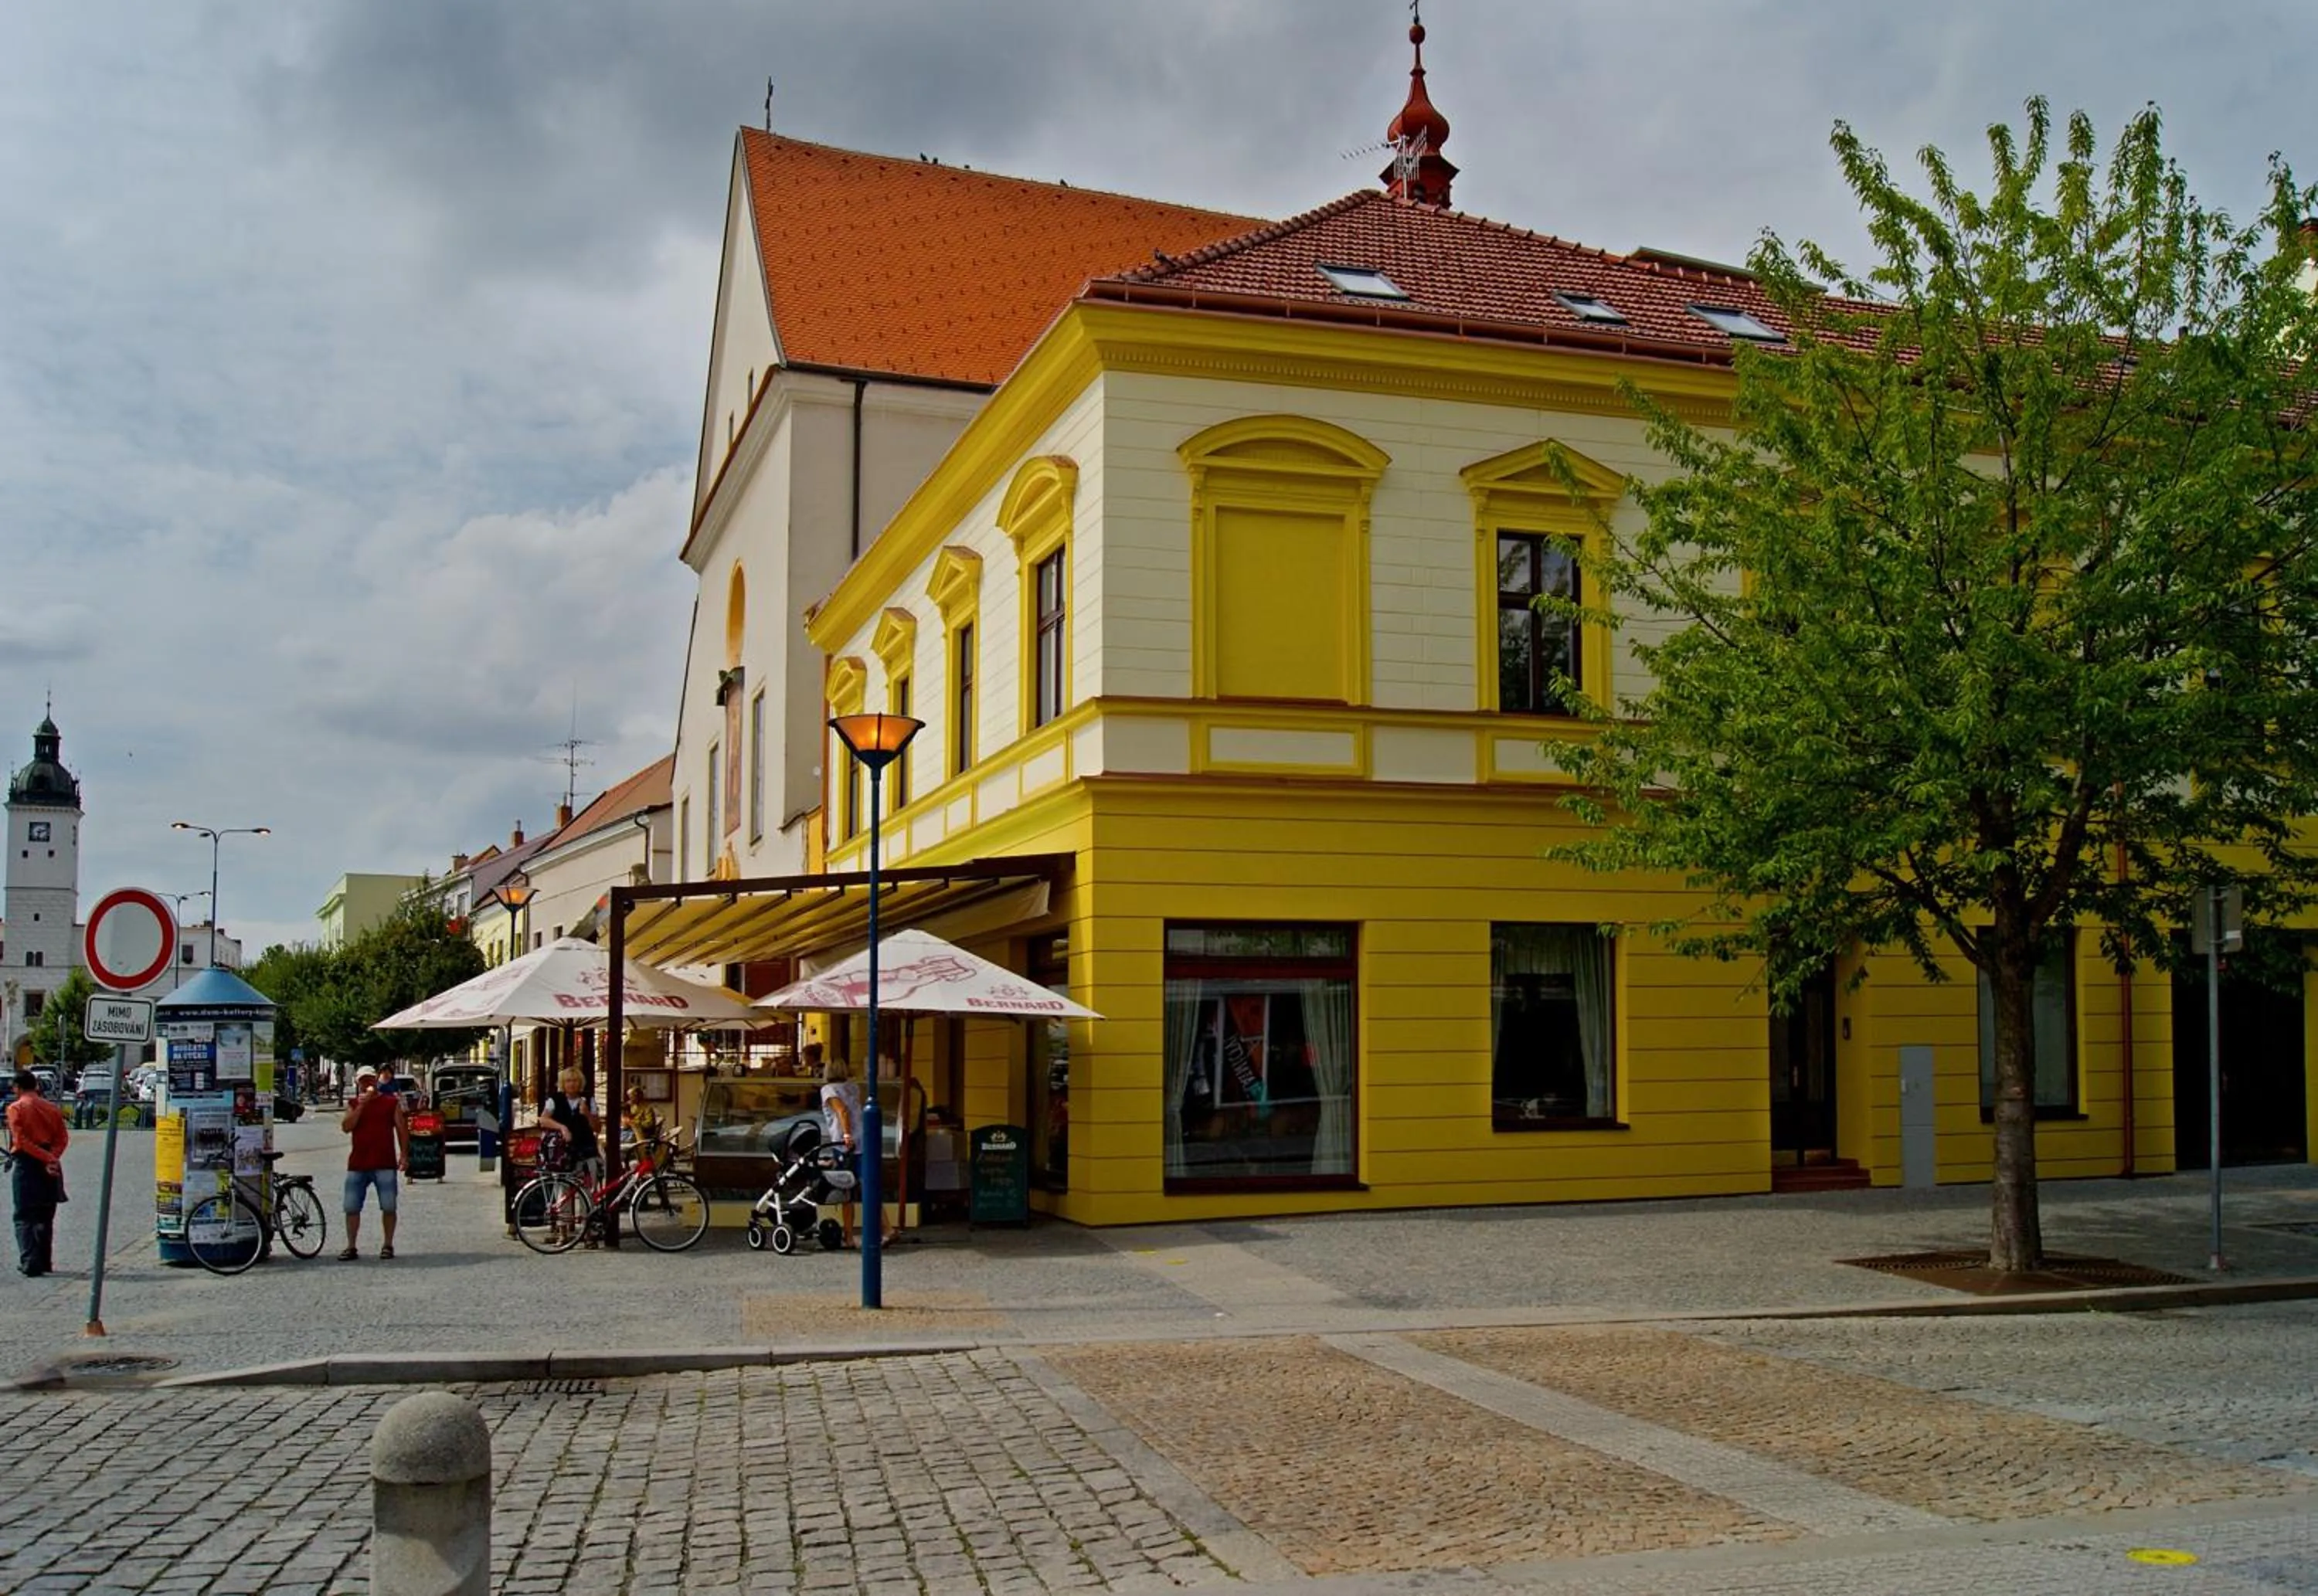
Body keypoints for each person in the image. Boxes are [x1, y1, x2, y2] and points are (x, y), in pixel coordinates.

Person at [338, 1065, 409, 1261]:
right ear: (358, 1083)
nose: (367, 1083)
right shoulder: (354, 1103)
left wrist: (404, 1155)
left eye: (370, 1079)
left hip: (384, 1162)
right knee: (351, 1207)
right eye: (363, 1080)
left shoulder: (390, 1102)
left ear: (376, 1080)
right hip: (358, 1163)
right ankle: (351, 1246)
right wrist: (361, 1106)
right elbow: (346, 1127)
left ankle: (388, 1244)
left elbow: (401, 1129)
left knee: (389, 1206)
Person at [5, 1069, 69, 1277]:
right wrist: (52, 1157)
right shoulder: (52, 1108)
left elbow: (20, 1140)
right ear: (36, 1086)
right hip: (50, 1165)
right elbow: (62, 1138)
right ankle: (44, 1260)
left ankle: (30, 1261)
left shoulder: (16, 1108)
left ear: (18, 1088)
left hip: (27, 1164)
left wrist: (43, 1157)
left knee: (24, 1215)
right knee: (45, 1215)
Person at [818, 1054, 863, 1248]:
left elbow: (842, 1111)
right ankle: (882, 1229)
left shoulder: (828, 1090)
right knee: (864, 1185)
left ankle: (849, 1235)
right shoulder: (853, 1087)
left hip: (844, 1144)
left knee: (846, 1189)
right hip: (862, 1140)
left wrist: (846, 1135)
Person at [539, 1067, 600, 1183]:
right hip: (563, 1153)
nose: (572, 1084)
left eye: (575, 1081)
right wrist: (562, 1128)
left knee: (588, 1187)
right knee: (563, 1186)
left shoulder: (588, 1099)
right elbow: (543, 1120)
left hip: (586, 1150)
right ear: (563, 1083)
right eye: (568, 1081)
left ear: (580, 1083)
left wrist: (587, 1114)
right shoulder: (555, 1099)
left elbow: (598, 1128)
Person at [624, 1084, 664, 1159]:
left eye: (631, 1097)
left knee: (624, 1139)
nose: (630, 1099)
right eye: (629, 1097)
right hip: (631, 1130)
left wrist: (634, 1123)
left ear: (638, 1096)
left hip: (643, 1133)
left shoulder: (647, 1108)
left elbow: (650, 1124)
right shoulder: (632, 1107)